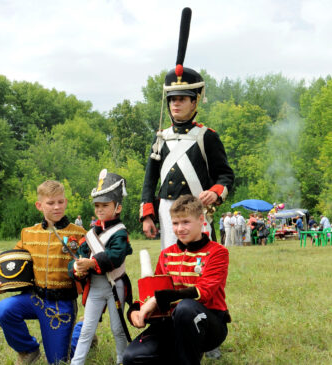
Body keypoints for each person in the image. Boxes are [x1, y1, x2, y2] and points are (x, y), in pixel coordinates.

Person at [140, 7, 234, 251]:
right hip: (167, 211)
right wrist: (147, 214)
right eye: (172, 99)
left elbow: (225, 175)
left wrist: (215, 192)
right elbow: (150, 180)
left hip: (196, 210)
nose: (176, 104)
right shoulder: (161, 138)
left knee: (201, 265)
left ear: (195, 101)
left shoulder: (207, 137)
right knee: (170, 264)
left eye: (182, 98)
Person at [0, 180, 86, 365]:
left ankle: (82, 329)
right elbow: (12, 261)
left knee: (58, 361)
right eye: (50, 203)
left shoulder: (79, 233)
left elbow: (91, 264)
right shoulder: (28, 234)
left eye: (60, 202)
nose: (56, 207)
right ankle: (28, 350)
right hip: (33, 299)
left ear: (65, 202)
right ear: (39, 205)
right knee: (3, 310)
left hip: (61, 305)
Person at [123, 195, 230, 365]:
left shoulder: (218, 252)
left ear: (201, 220)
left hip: (209, 324)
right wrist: (135, 311)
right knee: (131, 357)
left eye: (185, 222)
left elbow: (203, 292)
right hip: (170, 322)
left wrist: (158, 299)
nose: (180, 228)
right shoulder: (166, 254)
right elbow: (153, 293)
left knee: (186, 308)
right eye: (175, 223)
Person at [68, 169, 133, 365]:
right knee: (87, 329)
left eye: (105, 205)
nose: (100, 210)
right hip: (95, 286)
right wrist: (77, 267)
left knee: (117, 328)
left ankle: (123, 360)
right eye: (97, 206)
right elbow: (78, 256)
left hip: (114, 285)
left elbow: (115, 256)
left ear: (118, 208)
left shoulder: (120, 232)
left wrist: (91, 263)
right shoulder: (90, 234)